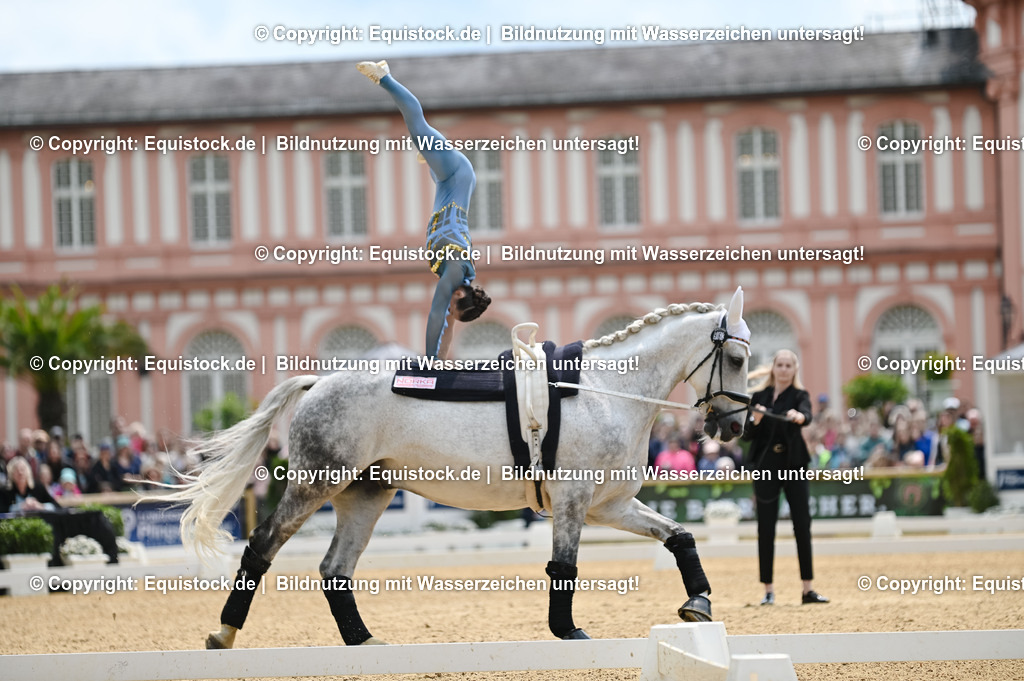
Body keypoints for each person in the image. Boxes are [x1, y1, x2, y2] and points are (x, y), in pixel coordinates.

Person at [356, 60, 490, 358]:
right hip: (457, 174)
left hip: (446, 182)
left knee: (430, 156)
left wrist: (439, 364)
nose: (448, 313)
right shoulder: (454, 271)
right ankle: (385, 76)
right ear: (458, 295)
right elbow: (434, 316)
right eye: (453, 309)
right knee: (417, 125)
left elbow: (445, 330)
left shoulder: (457, 279)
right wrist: (428, 364)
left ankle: (427, 157)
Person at [743, 349, 829, 606]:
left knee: (802, 524)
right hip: (766, 467)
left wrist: (799, 417)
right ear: (773, 368)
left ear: (794, 369)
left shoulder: (799, 395)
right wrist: (755, 420)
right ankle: (768, 590)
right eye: (779, 365)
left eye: (788, 365)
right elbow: (746, 435)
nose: (783, 369)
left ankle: (807, 589)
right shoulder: (759, 397)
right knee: (765, 527)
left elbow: (807, 415)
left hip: (794, 465)